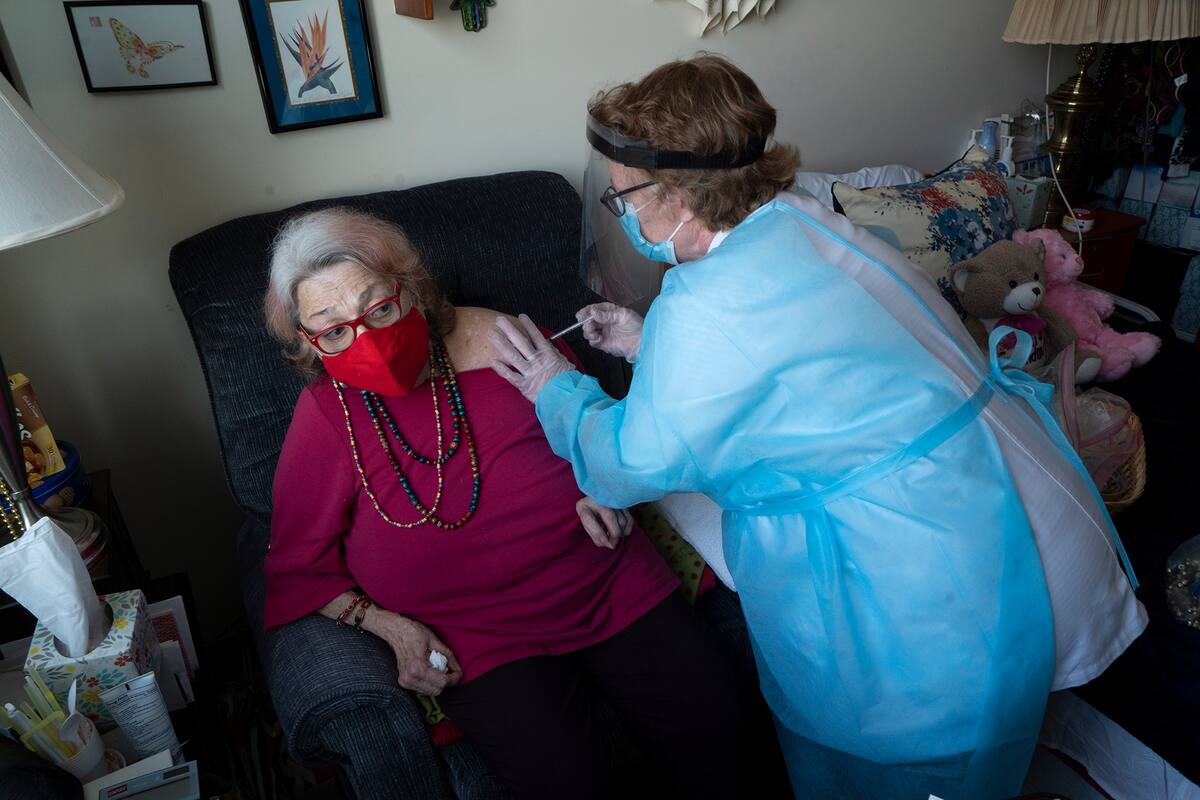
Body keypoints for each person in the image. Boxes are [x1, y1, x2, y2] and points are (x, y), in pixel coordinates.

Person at [489, 55, 1145, 799]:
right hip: (1001, 504)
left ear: (679, 194)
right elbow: (808, 368)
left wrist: (557, 389)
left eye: (625, 199)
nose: (625, 217)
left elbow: (629, 464)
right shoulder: (800, 222)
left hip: (926, 578)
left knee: (907, 777)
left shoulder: (708, 308)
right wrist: (649, 344)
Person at [261, 207, 746, 799]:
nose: (366, 340)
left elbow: (600, 434)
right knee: (569, 784)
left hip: (606, 581)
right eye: (333, 329)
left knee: (721, 738)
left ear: (407, 289)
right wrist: (387, 627)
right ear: (309, 341)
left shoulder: (500, 337)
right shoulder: (322, 416)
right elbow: (294, 568)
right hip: (476, 636)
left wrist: (602, 489)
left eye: (378, 308)